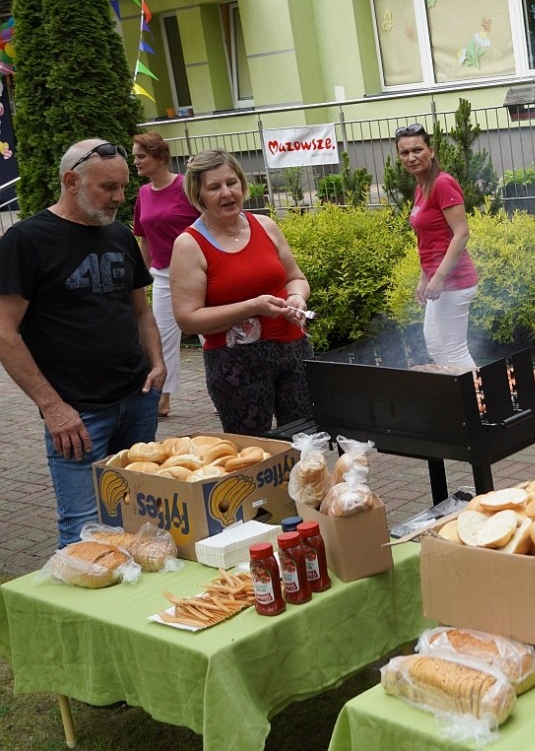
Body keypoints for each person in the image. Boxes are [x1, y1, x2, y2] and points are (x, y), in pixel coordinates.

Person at [0, 139, 165, 547]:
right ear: (71, 181)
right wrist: (53, 408)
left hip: (138, 399)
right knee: (83, 537)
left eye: (123, 187)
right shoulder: (26, 240)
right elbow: (4, 333)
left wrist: (158, 363)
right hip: (78, 416)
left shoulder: (119, 236)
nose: (119, 198)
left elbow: (141, 311)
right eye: (107, 188)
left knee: (140, 523)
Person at [169, 149, 313, 435]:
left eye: (232, 183)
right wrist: (252, 306)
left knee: (306, 445)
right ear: (199, 195)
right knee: (253, 456)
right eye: (214, 187)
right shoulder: (189, 244)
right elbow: (187, 319)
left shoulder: (265, 225)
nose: (227, 193)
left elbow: (296, 278)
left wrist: (297, 296)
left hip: (293, 352)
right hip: (235, 365)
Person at [396, 122, 479, 369]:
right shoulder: (421, 188)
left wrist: (439, 277)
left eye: (417, 150)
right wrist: (425, 277)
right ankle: (465, 397)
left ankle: (480, 401)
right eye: (404, 153)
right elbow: (430, 241)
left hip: (455, 281)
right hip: (439, 281)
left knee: (453, 350)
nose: (411, 157)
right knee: (435, 345)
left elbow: (461, 233)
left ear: (430, 151)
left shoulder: (443, 184)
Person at [131, 133, 200, 419]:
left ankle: (227, 389)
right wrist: (140, 278)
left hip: (197, 274)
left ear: (159, 157)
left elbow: (208, 225)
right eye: (134, 156)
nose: (135, 161)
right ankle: (162, 399)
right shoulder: (144, 194)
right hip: (161, 276)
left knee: (212, 336)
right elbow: (144, 238)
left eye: (140, 156)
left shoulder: (186, 186)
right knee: (160, 340)